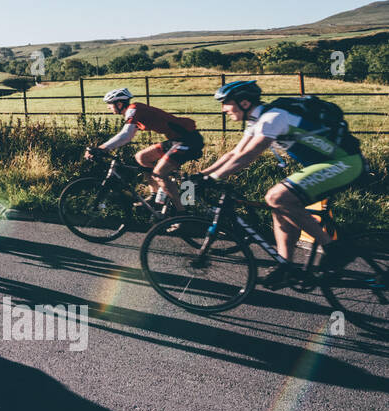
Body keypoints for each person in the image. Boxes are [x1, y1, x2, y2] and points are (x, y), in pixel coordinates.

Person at [196, 80, 363, 288]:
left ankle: (334, 249)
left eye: (226, 103)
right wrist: (201, 175)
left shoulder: (273, 118)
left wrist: (214, 178)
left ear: (245, 102)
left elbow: (248, 156)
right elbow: (234, 153)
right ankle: (286, 266)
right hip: (326, 164)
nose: (223, 110)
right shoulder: (257, 121)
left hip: (344, 163)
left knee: (277, 197)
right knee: (279, 206)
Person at [87, 87, 203, 213]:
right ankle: (155, 196)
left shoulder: (134, 109)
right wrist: (107, 148)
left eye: (109, 104)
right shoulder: (133, 112)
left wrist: (102, 149)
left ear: (119, 104)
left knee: (159, 173)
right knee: (142, 157)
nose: (108, 107)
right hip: (176, 140)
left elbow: (126, 135)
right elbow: (126, 136)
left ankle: (182, 214)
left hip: (188, 140)